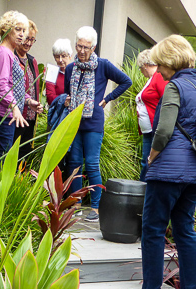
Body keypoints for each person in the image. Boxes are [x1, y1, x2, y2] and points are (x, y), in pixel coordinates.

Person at [126, 35, 196, 289]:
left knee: (153, 227)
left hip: (169, 171)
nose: (159, 69)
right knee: (185, 228)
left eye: (161, 63)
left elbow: (163, 130)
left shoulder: (174, 86)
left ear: (171, 61)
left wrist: (152, 157)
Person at [64, 26, 132, 221]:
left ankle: (96, 207)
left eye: (87, 47)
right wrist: (68, 100)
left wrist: (107, 98)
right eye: (79, 46)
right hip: (74, 121)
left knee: (92, 164)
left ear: (93, 47)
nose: (82, 51)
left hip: (93, 122)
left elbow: (126, 81)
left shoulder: (102, 65)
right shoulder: (70, 68)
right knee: (74, 164)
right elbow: (68, 90)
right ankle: (75, 203)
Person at [0, 11, 43, 162]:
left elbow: (15, 87)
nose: (21, 34)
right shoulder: (4, 53)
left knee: (6, 159)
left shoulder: (9, 52)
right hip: (3, 114)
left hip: (7, 114)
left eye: (23, 31)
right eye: (17, 29)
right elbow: (2, 87)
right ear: (7, 29)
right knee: (2, 160)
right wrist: (15, 107)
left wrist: (29, 102)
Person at [135, 49, 167, 182]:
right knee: (146, 161)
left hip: (155, 128)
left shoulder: (158, 77)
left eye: (141, 68)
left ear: (145, 65)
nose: (141, 72)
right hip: (148, 130)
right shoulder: (151, 79)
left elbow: (165, 99)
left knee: (149, 162)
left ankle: (144, 192)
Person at [13, 20, 42, 162]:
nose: (29, 43)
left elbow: (35, 87)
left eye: (32, 40)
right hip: (16, 115)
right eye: (27, 39)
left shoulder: (32, 61)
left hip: (31, 116)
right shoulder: (11, 57)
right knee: (13, 154)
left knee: (25, 156)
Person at [46, 39, 73, 105]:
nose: (60, 60)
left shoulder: (76, 72)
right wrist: (65, 99)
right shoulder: (52, 72)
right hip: (57, 113)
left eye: (63, 56)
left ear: (70, 56)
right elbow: (50, 98)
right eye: (57, 57)